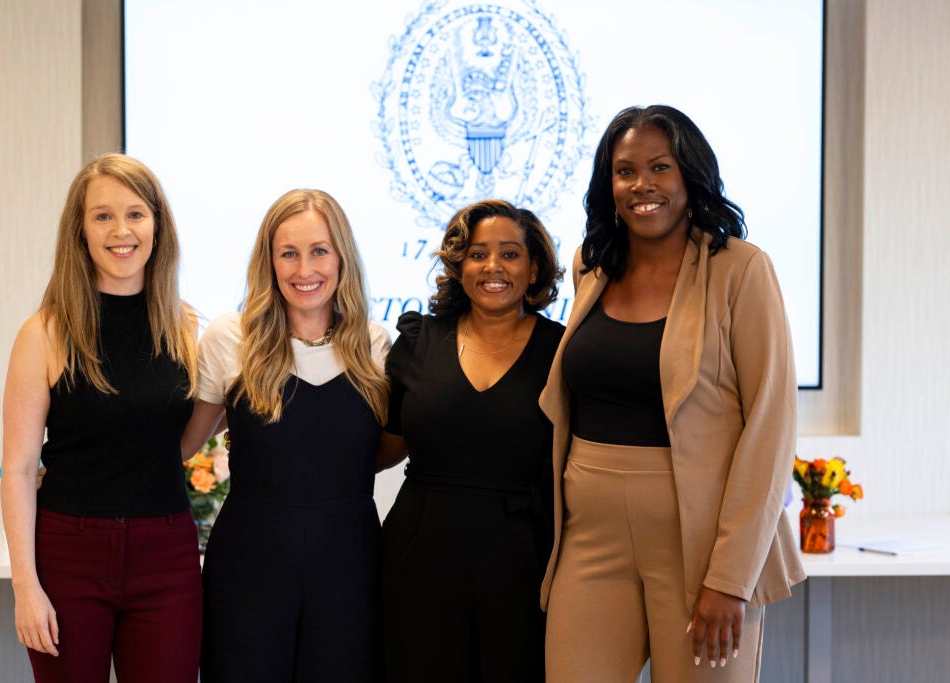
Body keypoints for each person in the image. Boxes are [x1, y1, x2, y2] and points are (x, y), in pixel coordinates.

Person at [540, 105, 806, 682]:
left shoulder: (741, 269)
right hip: (590, 538)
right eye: (625, 170)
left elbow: (770, 427)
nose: (642, 185)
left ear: (690, 174)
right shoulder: (593, 264)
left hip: (701, 547)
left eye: (659, 167)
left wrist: (730, 579)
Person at [1, 154, 202, 682]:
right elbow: (20, 469)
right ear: (81, 231)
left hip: (167, 556)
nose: (121, 231)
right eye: (103, 216)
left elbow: (180, 440)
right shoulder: (43, 333)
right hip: (69, 558)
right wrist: (26, 586)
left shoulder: (187, 329)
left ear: (157, 225)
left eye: (136, 214)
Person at [180, 189, 391, 682]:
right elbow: (183, 444)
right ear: (268, 262)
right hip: (249, 565)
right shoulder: (230, 339)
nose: (304, 269)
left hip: (351, 566)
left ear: (342, 257)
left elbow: (378, 452)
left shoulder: (377, 346)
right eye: (288, 253)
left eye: (319, 251)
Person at [379, 199, 565, 682]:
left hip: (522, 562)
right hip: (418, 555)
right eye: (479, 254)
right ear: (459, 266)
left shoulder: (563, 352)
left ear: (534, 268)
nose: (493, 267)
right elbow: (385, 444)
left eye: (510, 254)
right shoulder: (420, 339)